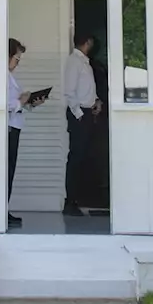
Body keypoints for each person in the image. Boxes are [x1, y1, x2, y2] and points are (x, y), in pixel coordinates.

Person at [4, 38, 44, 227]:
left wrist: (30, 102)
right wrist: (22, 101)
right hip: (8, 128)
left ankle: (5, 209)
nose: (17, 63)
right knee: (6, 170)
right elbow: (4, 105)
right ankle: (1, 211)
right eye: (16, 59)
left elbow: (16, 103)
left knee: (11, 170)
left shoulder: (10, 76)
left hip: (15, 126)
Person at [62, 32, 100, 216]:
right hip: (79, 115)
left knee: (84, 157)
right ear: (88, 41)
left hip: (87, 112)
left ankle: (78, 198)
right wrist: (79, 115)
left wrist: (95, 102)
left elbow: (86, 89)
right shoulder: (74, 62)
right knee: (76, 158)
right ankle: (70, 202)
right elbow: (69, 92)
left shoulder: (84, 62)